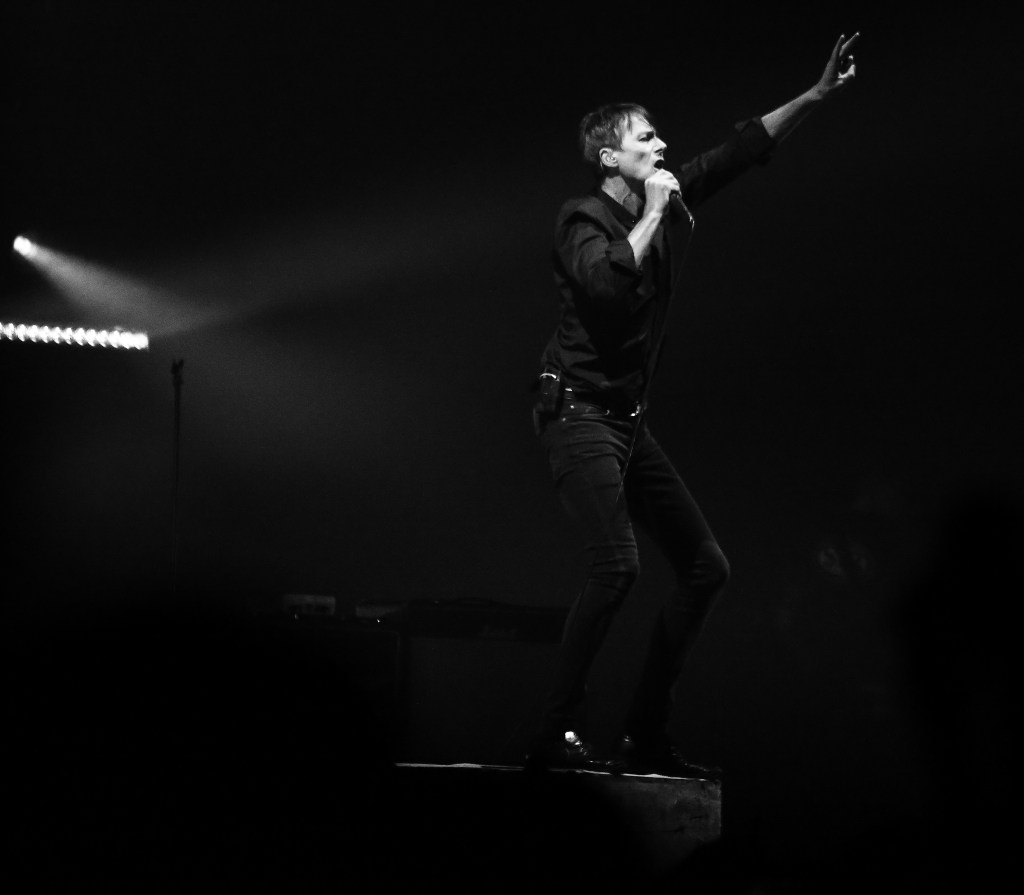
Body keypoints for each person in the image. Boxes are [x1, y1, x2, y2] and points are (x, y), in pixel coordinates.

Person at [527, 34, 859, 775]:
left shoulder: (669, 200)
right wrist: (652, 209)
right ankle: (553, 732)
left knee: (707, 568)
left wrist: (815, 96)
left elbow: (739, 151)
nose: (663, 146)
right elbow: (607, 287)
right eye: (646, 139)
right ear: (610, 157)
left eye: (659, 136)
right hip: (576, 413)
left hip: (627, 422)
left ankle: (646, 732)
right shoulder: (582, 218)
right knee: (617, 567)